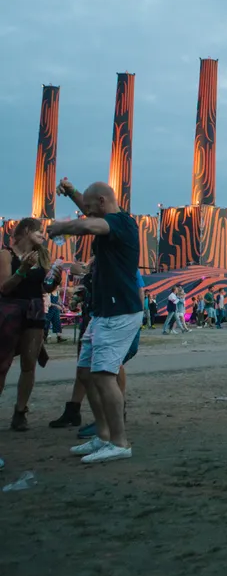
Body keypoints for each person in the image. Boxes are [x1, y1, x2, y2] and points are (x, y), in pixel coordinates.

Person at [48, 179, 141, 464]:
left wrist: (62, 227)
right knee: (87, 373)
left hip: (119, 311)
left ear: (102, 202)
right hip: (103, 312)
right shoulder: (108, 219)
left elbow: (90, 225)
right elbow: (91, 217)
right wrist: (72, 192)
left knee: (103, 375)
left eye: (89, 207)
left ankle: (119, 442)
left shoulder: (120, 223)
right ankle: (103, 436)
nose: (85, 212)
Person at [1, 219, 63, 432]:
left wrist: (54, 281)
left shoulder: (42, 255)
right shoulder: (6, 255)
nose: (43, 235)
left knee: (29, 365)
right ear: (27, 230)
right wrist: (22, 270)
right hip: (9, 311)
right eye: (39, 231)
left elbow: (44, 288)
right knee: (2, 365)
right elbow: (4, 288)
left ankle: (20, 412)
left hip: (35, 311)